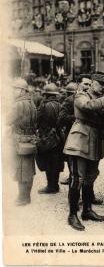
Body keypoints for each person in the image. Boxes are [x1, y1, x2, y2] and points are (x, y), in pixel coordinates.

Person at [64, 73, 104, 231]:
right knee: (77, 178)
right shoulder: (82, 95)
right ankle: (72, 214)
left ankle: (87, 210)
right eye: (100, 85)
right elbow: (87, 106)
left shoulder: (98, 99)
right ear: (93, 83)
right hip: (79, 141)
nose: (103, 88)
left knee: (90, 177)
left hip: (94, 141)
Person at [7, 78, 37, 206]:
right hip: (30, 139)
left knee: (20, 170)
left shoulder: (17, 104)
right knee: (29, 169)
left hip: (19, 140)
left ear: (22, 90)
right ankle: (26, 197)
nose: (13, 92)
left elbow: (7, 120)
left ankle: (23, 198)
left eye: (15, 89)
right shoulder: (31, 102)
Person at [36, 83, 64, 194]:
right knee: (57, 161)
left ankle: (50, 186)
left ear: (46, 94)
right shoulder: (60, 105)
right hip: (58, 136)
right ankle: (55, 185)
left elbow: (37, 120)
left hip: (47, 137)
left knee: (48, 162)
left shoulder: (44, 105)